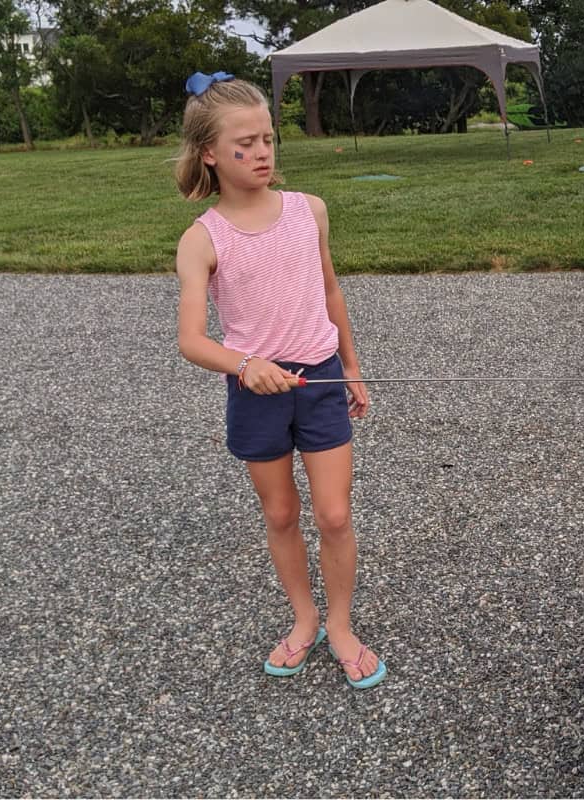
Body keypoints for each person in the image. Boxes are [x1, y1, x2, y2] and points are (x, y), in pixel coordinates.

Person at [173, 71, 385, 688]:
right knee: (283, 514)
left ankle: (341, 626)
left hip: (318, 379)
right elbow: (192, 340)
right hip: (256, 394)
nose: (263, 153)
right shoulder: (201, 239)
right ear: (210, 153)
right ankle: (305, 619)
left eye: (268, 139)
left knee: (336, 514)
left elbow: (329, 291)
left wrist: (351, 365)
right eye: (246, 144)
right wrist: (246, 366)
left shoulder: (308, 211)